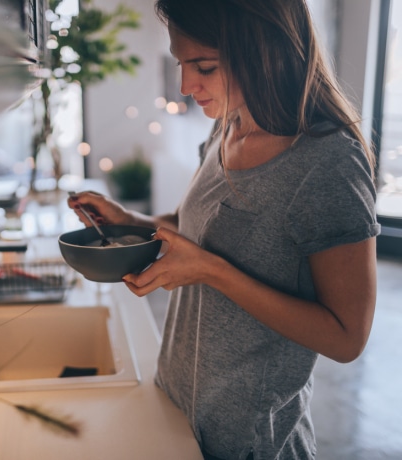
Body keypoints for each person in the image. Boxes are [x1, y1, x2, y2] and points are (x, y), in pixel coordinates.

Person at [67, 0, 380, 459]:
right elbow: (194, 227)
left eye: (204, 66)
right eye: (181, 62)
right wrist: (130, 223)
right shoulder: (228, 125)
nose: (185, 85)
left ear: (264, 50)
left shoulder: (328, 164)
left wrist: (212, 272)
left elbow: (347, 337)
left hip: (252, 443)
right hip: (179, 410)